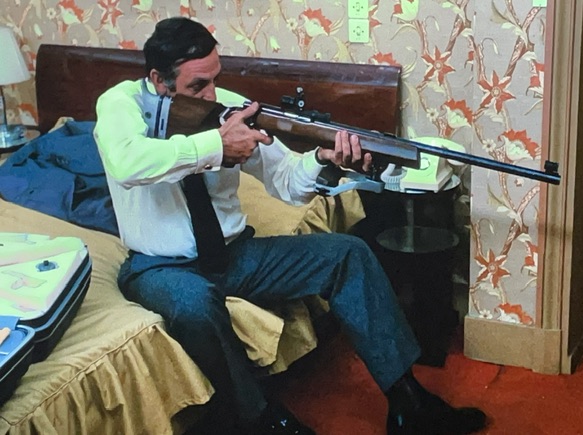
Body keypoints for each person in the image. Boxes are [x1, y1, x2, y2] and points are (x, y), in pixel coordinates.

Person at [93, 17, 487, 435]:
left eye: (215, 80)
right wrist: (216, 147)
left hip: (235, 255)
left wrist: (322, 160)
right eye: (197, 86)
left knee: (348, 255)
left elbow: (285, 181)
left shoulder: (229, 107)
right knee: (194, 304)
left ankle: (409, 403)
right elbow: (126, 163)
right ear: (159, 80)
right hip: (159, 266)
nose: (211, 95)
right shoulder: (120, 104)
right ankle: (263, 421)